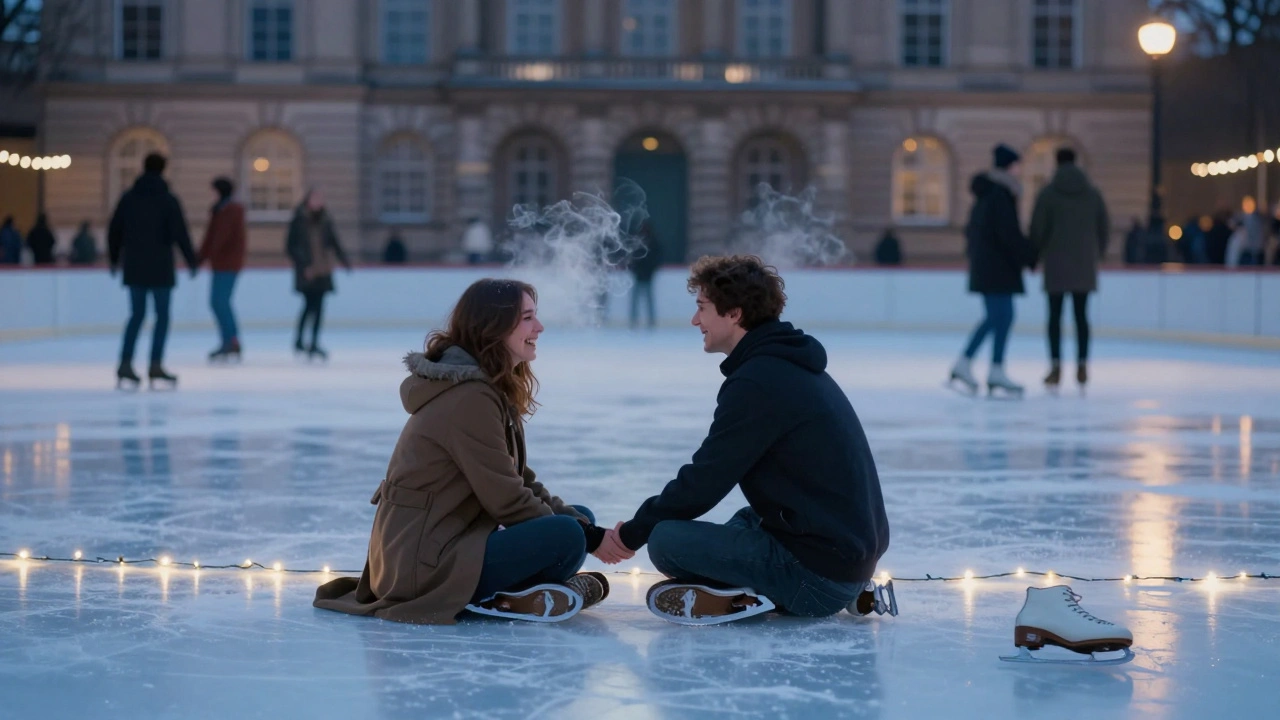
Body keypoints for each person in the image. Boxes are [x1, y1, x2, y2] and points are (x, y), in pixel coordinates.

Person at [594, 255, 893, 625]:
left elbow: (705, 480)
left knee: (668, 540)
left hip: (818, 577)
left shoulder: (759, 381)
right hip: (847, 556)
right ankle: (748, 586)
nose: (694, 320)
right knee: (748, 517)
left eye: (702, 308)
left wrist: (633, 533)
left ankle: (747, 596)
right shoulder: (787, 365)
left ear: (734, 314)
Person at [314, 279, 611, 624]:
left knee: (577, 517)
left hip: (447, 541)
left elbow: (520, 480)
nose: (539, 327)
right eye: (528, 318)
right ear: (495, 326)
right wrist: (588, 538)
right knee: (568, 536)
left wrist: (589, 529)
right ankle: (492, 597)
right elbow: (508, 499)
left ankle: (521, 589)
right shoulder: (470, 398)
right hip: (423, 565)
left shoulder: (486, 388)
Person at [947, 143, 1037, 398]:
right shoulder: (999, 194)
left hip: (991, 267)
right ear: (1010, 167)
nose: (1020, 171)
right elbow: (1008, 234)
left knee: (1000, 317)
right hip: (996, 268)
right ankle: (975, 365)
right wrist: (1029, 255)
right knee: (1001, 316)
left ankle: (978, 366)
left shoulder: (990, 194)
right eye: (1018, 166)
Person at [109, 153, 198, 389]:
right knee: (162, 317)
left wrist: (114, 259)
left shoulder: (129, 198)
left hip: (135, 266)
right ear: (163, 169)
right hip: (160, 268)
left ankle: (125, 362)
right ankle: (155, 364)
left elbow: (114, 230)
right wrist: (191, 260)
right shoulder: (168, 200)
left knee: (136, 316)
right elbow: (181, 232)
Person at [1028, 148, 1109, 392]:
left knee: (1054, 318)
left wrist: (1035, 255)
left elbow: (1038, 228)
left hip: (1055, 264)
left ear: (1057, 162)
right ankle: (1082, 364)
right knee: (1081, 317)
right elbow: (1104, 226)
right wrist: (1097, 254)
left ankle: (1055, 367)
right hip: (1084, 263)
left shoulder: (1049, 194)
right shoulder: (1092, 194)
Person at [286, 189, 351, 361]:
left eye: (320, 199)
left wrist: (344, 260)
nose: (318, 202)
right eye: (315, 198)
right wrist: (304, 266)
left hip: (322, 270)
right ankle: (300, 340)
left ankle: (313, 342)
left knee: (319, 307)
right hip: (307, 271)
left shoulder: (325, 220)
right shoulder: (299, 219)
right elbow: (291, 246)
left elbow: (334, 241)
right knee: (308, 306)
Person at [198, 177, 247, 362]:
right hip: (221, 263)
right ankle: (229, 339)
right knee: (219, 302)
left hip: (228, 264)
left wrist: (202, 257)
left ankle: (231, 340)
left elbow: (219, 238)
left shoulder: (230, 211)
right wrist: (201, 257)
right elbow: (212, 237)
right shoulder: (220, 210)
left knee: (220, 302)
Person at [629, 220, 662, 329]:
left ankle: (649, 321)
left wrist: (651, 270)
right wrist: (634, 269)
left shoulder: (651, 242)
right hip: (640, 275)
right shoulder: (638, 242)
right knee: (638, 300)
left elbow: (656, 258)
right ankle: (634, 321)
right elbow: (633, 259)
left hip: (647, 275)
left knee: (647, 299)